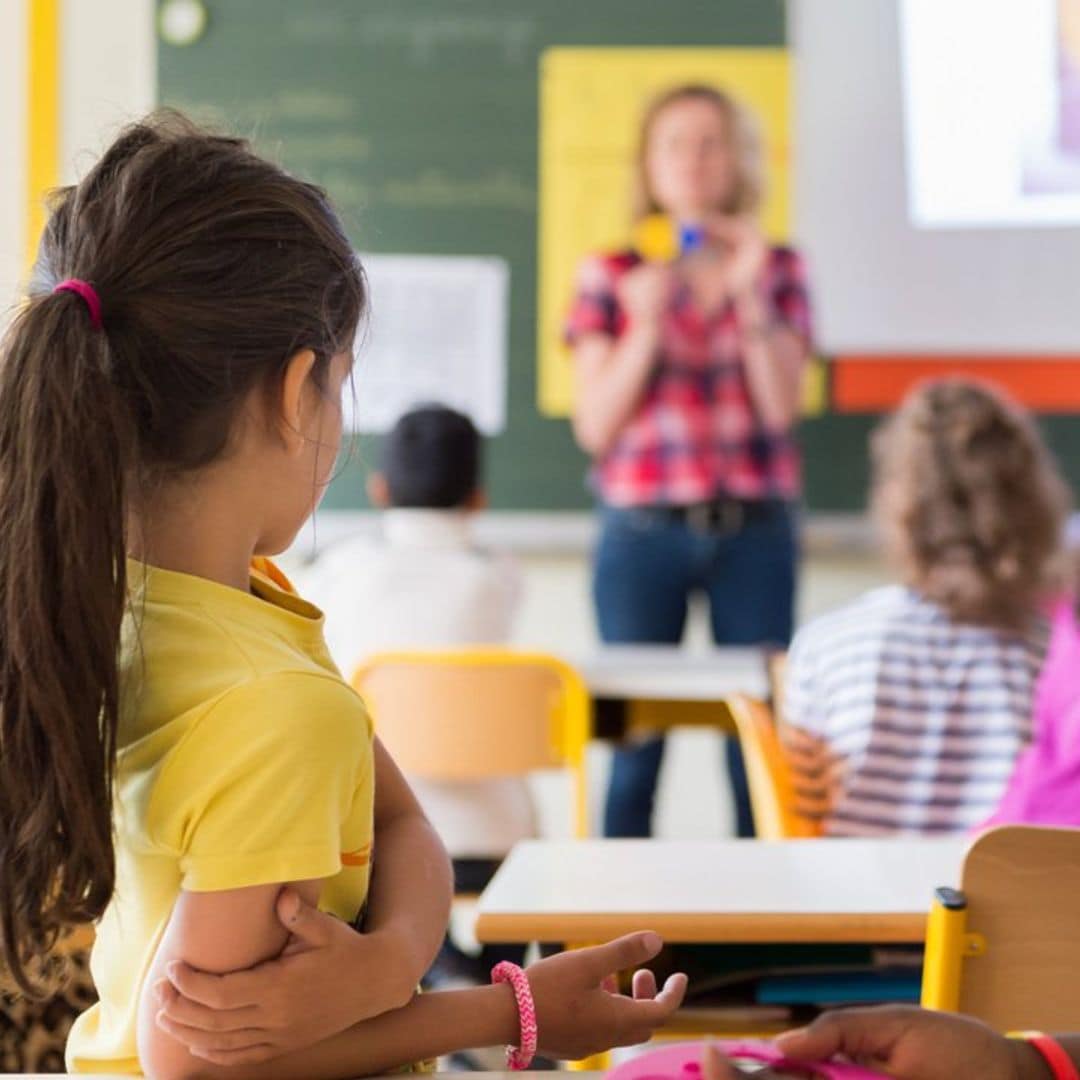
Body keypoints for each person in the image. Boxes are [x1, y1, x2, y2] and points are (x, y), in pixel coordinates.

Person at [0, 113, 686, 1079]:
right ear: (294, 394)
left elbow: (406, 826)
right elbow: (195, 1065)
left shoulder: (167, 607)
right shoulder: (276, 703)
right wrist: (511, 1013)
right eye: (340, 388)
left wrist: (389, 963)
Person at [566, 83, 813, 839]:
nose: (693, 161)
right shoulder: (609, 273)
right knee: (634, 746)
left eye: (710, 143)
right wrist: (644, 325)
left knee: (757, 745)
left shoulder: (776, 268)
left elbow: (782, 408)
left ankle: (759, 938)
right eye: (675, 143)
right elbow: (594, 424)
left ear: (736, 159)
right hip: (642, 530)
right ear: (649, 162)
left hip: (755, 530)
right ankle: (613, 936)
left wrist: (750, 305)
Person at [301, 403, 534, 982]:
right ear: (478, 497)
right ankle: (486, 987)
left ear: (379, 489)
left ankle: (443, 975)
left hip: (373, 831)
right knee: (527, 821)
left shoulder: (337, 570)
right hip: (495, 835)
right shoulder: (499, 577)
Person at [783, 379, 1068, 836]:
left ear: (897, 503)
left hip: (853, 903)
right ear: (1032, 501)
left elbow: (802, 813)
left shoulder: (825, 644)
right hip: (1005, 905)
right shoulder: (1058, 660)